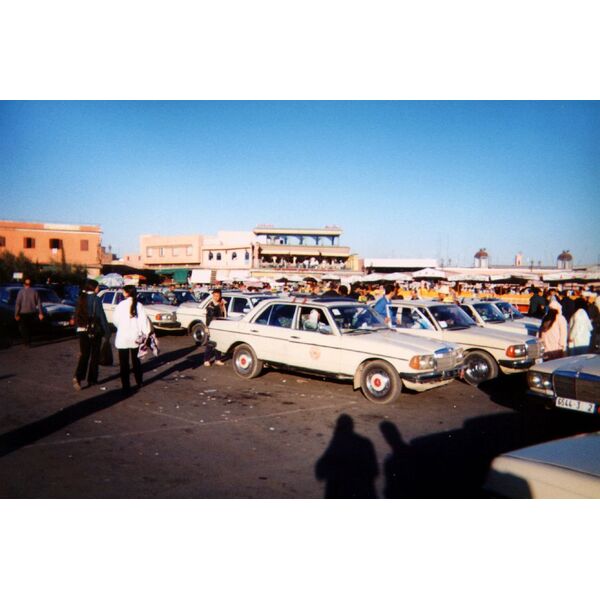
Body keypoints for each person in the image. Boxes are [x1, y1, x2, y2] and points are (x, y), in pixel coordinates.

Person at [73, 279, 111, 391]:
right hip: (95, 331)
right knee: (94, 356)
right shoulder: (97, 299)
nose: (98, 288)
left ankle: (78, 377)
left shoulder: (80, 298)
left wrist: (77, 329)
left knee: (84, 355)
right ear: (93, 287)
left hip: (82, 330)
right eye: (97, 286)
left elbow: (76, 315)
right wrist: (107, 332)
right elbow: (101, 317)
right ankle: (92, 379)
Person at [113, 285, 151, 393]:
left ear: (126, 293)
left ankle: (126, 385)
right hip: (135, 337)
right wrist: (145, 334)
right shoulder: (139, 305)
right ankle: (139, 382)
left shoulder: (121, 305)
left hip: (122, 338)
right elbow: (144, 323)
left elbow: (115, 320)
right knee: (136, 362)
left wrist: (122, 327)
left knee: (124, 363)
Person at [14, 277, 43, 346]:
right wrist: (40, 313)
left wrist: (16, 314)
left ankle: (26, 342)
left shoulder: (21, 292)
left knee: (23, 328)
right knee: (30, 327)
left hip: (23, 312)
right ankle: (29, 341)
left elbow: (18, 304)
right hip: (32, 312)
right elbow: (39, 303)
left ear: (24, 284)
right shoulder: (35, 291)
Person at [204, 288, 227, 367]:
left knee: (219, 343)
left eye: (218, 296)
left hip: (220, 326)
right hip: (212, 326)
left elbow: (224, 314)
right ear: (213, 296)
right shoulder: (211, 305)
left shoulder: (222, 304)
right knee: (210, 343)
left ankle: (218, 359)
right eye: (215, 296)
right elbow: (208, 317)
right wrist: (207, 327)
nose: (216, 297)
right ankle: (206, 360)